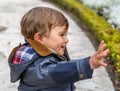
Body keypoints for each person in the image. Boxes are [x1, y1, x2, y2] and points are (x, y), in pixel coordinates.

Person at [8, 7, 109, 91]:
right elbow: (60, 72)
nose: (66, 39)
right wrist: (89, 63)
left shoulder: (44, 51)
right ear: (40, 38)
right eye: (62, 35)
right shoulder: (38, 67)